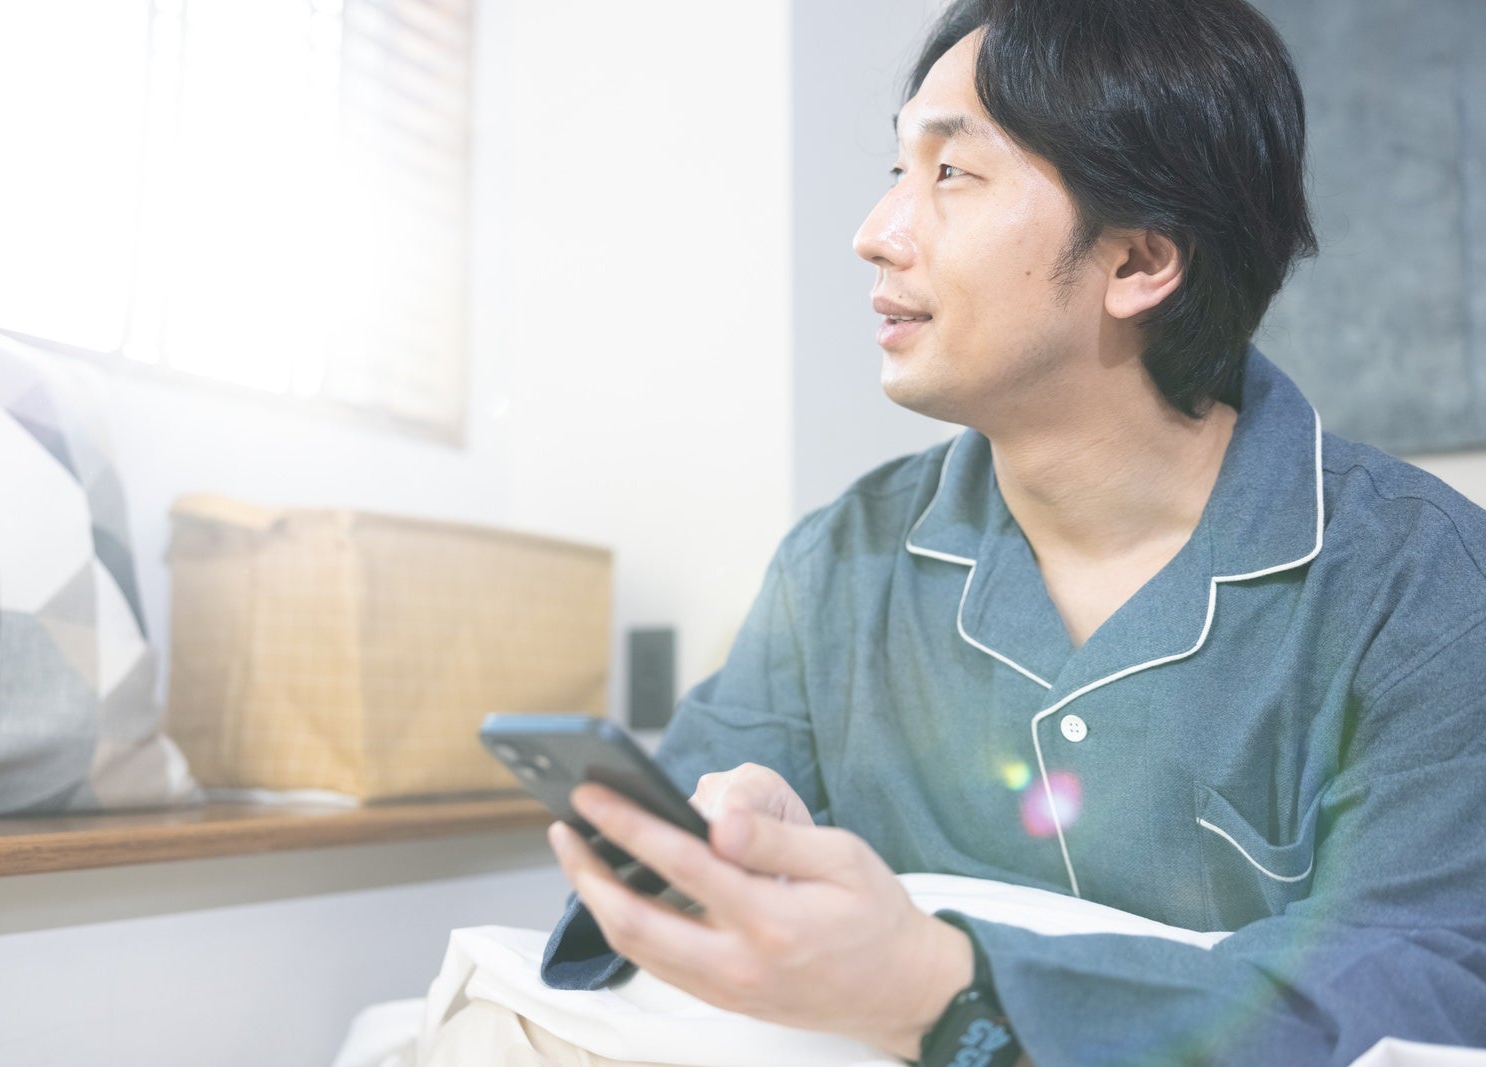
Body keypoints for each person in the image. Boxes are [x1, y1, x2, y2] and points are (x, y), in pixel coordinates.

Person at [537, 0, 1486, 1064]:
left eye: (950, 174)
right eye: (900, 169)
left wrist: (943, 982)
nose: (875, 230)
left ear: (1137, 262)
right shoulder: (837, 564)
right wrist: (717, 857)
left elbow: (1428, 981)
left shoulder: (1426, 587)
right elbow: (646, 905)